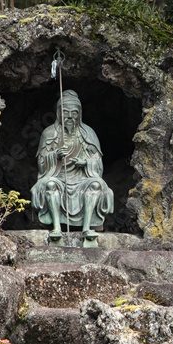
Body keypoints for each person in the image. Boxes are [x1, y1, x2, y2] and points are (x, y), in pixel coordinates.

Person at [31, 90, 113, 244]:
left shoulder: (88, 134)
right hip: (58, 176)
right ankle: (56, 227)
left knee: (95, 185)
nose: (69, 116)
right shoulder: (49, 134)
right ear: (58, 113)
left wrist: (86, 163)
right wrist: (54, 156)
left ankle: (87, 227)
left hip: (82, 177)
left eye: (74, 113)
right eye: (65, 112)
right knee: (49, 185)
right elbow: (41, 164)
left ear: (79, 114)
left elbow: (98, 162)